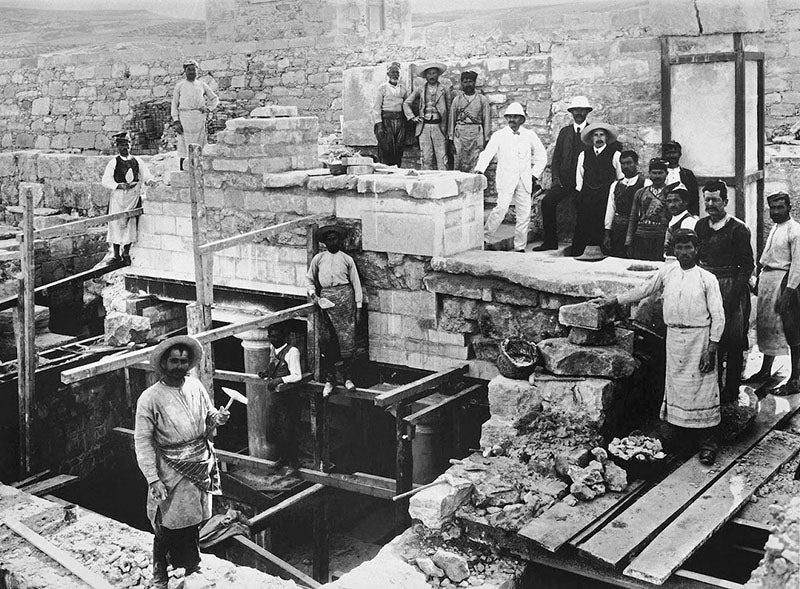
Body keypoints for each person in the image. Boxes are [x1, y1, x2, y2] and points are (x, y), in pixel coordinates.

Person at [593, 229, 725, 464]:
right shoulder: (668, 272)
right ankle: (675, 433)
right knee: (676, 388)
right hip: (674, 338)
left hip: (700, 339)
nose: (684, 252)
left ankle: (708, 440)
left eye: (689, 247)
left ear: (697, 249)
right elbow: (644, 289)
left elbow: (719, 316)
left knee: (703, 388)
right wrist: (614, 300)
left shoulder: (707, 279)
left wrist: (712, 347)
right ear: (674, 250)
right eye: (680, 247)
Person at [134, 336, 230, 589]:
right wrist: (152, 478)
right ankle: (160, 574)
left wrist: (217, 418)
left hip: (199, 462)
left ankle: (190, 563)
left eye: (183, 361)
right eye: (174, 361)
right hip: (170, 466)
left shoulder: (195, 385)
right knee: (168, 521)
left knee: (194, 516)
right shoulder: (150, 398)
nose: (179, 366)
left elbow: (208, 413)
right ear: (164, 364)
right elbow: (142, 440)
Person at [695, 180, 755, 403]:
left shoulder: (738, 229)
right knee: (710, 339)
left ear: (726, 202)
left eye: (715, 200)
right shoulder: (701, 226)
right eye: (707, 200)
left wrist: (732, 296)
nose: (710, 204)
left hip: (731, 287)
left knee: (733, 340)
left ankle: (731, 392)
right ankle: (712, 390)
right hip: (707, 284)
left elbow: (747, 265)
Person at [474, 102, 547, 253]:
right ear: (506, 118)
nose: (512, 120)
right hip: (506, 179)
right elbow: (487, 153)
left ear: (522, 119)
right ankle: (484, 239)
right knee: (500, 209)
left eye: (516, 117)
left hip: (525, 180)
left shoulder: (529, 135)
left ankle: (520, 246)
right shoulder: (499, 135)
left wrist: (534, 175)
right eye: (510, 117)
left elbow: (542, 156)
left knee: (524, 214)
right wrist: (480, 170)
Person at [749, 192, 800, 393]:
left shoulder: (795, 231)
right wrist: (759, 280)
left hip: (785, 282)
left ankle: (795, 379)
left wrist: (789, 292)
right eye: (773, 208)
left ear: (789, 208)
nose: (776, 211)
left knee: (792, 331)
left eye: (780, 207)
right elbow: (766, 258)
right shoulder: (775, 229)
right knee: (766, 329)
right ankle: (765, 370)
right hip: (768, 282)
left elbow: (797, 264)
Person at [306, 225, 363, 396]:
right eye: (329, 239)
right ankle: (330, 379)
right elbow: (309, 280)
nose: (332, 242)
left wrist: (358, 307)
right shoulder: (318, 259)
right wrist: (313, 294)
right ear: (325, 242)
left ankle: (347, 378)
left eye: (335, 239)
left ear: (339, 240)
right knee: (327, 341)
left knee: (347, 342)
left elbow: (356, 284)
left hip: (345, 303)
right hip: (326, 303)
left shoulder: (347, 259)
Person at [534, 96, 593, 252]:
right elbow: (557, 158)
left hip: (583, 183)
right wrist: (556, 179)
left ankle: (579, 245)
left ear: (587, 112)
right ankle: (550, 241)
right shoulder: (565, 132)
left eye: (582, 110)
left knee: (583, 207)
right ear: (571, 112)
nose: (579, 113)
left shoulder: (592, 132)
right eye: (576, 110)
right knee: (547, 203)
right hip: (564, 182)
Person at [100, 132, 154, 265]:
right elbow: (105, 180)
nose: (125, 148)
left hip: (133, 196)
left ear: (131, 145)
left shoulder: (137, 161)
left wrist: (150, 181)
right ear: (117, 147)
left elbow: (146, 175)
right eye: (122, 145)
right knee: (116, 224)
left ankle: (126, 253)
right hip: (119, 198)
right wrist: (118, 186)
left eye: (127, 145)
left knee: (130, 223)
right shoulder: (114, 162)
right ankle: (116, 255)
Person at [571, 121, 623, 258]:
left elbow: (620, 177)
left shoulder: (615, 154)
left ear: (606, 138)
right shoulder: (584, 154)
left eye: (602, 135)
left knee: (604, 223)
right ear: (591, 138)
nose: (599, 138)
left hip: (606, 195)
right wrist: (580, 193)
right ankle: (579, 253)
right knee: (583, 222)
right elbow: (580, 175)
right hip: (588, 194)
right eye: (595, 135)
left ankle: (605, 252)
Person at [257, 322, 304, 474]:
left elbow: (297, 375)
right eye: (271, 336)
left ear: (285, 337)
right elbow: (275, 366)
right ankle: (282, 458)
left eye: (277, 336)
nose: (274, 339)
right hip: (275, 397)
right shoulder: (273, 349)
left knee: (288, 428)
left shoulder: (292, 351)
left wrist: (279, 380)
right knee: (274, 427)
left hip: (288, 397)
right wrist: (266, 373)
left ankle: (294, 464)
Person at [171, 58, 219, 171]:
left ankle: (200, 171)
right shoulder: (180, 86)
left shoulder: (201, 85)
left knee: (200, 147)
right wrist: (176, 121)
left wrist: (208, 108)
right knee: (184, 148)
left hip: (198, 119)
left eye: (194, 70)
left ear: (197, 71)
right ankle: (183, 173)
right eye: (189, 70)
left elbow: (214, 98)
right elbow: (174, 104)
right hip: (184, 119)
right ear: (185, 71)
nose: (192, 72)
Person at [403, 61, 451, 170]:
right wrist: (412, 117)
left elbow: (448, 110)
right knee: (426, 158)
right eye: (429, 74)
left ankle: (443, 185)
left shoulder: (444, 89)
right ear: (425, 76)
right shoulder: (420, 89)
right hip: (424, 127)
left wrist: (448, 130)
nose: (432, 76)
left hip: (439, 127)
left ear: (438, 74)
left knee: (442, 158)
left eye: (434, 73)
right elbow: (406, 103)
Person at [603, 150, 648, 257]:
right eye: (623, 163)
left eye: (629, 163)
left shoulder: (645, 184)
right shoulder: (615, 185)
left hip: (636, 229)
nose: (625, 166)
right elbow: (611, 209)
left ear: (636, 164)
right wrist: (607, 233)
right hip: (618, 229)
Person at [625, 158, 670, 261]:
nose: (657, 176)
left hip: (660, 237)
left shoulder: (671, 194)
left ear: (666, 174)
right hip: (641, 237)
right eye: (654, 173)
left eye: (660, 173)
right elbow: (633, 218)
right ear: (649, 174)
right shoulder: (640, 193)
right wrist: (628, 241)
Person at [448, 70, 491, 172]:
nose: (468, 84)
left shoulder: (482, 100)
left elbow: (487, 120)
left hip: (476, 134)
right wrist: (451, 139)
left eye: (470, 81)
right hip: (460, 135)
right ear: (462, 83)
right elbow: (452, 120)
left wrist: (486, 138)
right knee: (459, 162)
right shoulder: (457, 100)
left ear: (474, 83)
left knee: (476, 161)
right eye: (465, 82)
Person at [371, 62, 409, 167]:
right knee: (386, 149)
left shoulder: (403, 89)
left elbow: (407, 105)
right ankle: (384, 172)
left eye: (397, 73)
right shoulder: (382, 88)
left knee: (398, 149)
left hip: (400, 122)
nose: (395, 75)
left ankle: (397, 172)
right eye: (392, 72)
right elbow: (376, 108)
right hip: (386, 122)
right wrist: (379, 125)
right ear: (388, 74)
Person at [662, 140, 699, 215]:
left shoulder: (687, 174)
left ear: (680, 154)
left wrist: (694, 215)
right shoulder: (660, 173)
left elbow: (694, 198)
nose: (671, 156)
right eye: (668, 153)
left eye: (674, 153)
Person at [663, 185, 698, 261]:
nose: (672, 205)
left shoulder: (688, 221)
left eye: (676, 201)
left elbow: (686, 249)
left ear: (685, 202)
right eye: (669, 201)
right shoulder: (673, 218)